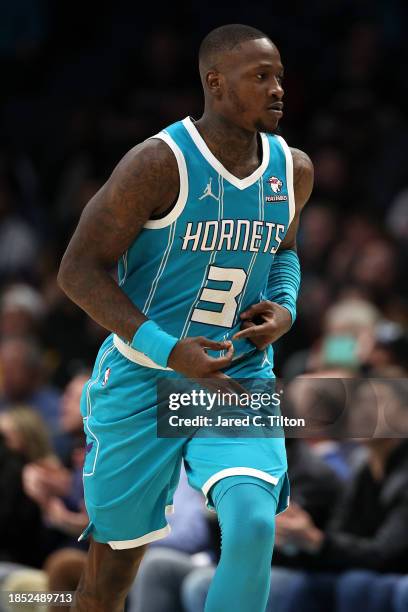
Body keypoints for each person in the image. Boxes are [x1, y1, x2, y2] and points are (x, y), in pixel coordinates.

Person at [58, 23, 313, 612]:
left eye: (279, 76)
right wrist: (171, 352)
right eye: (261, 76)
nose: (278, 89)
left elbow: (285, 253)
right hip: (145, 377)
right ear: (216, 84)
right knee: (107, 584)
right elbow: (78, 271)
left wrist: (286, 305)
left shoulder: (292, 168)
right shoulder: (157, 163)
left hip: (236, 377)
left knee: (252, 525)